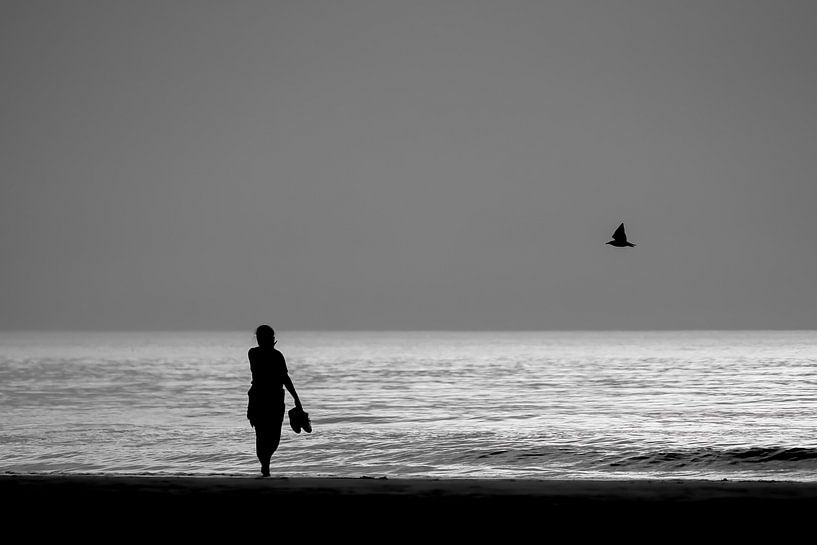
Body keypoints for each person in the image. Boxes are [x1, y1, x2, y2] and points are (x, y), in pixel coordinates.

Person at [246, 325, 303, 477]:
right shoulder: (256, 354)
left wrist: (296, 399)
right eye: (267, 338)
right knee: (263, 434)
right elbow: (282, 377)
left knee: (273, 436)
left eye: (271, 338)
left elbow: (285, 378)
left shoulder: (274, 355)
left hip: (273, 398)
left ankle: (265, 464)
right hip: (261, 398)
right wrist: (297, 400)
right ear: (260, 339)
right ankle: (265, 467)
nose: (270, 340)